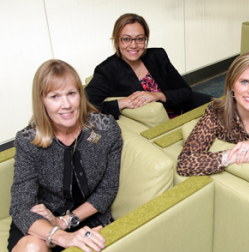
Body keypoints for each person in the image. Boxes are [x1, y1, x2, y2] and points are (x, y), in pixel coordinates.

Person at [8, 59, 123, 252]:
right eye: (55, 97)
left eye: (71, 93)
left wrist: (65, 221)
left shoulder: (105, 130)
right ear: (42, 101)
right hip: (42, 218)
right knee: (32, 247)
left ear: (80, 93)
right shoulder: (28, 140)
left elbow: (107, 189)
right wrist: (59, 234)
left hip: (86, 217)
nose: (67, 105)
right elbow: (21, 207)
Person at [177, 51, 249, 176]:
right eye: (244, 82)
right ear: (232, 84)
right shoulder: (217, 113)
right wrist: (234, 155)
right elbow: (184, 164)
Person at [85, 13, 212, 119]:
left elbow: (185, 91)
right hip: (161, 124)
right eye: (126, 39)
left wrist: (159, 95)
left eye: (139, 39)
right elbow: (83, 106)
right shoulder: (107, 70)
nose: (134, 45)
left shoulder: (158, 55)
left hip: (183, 111)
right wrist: (122, 102)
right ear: (117, 40)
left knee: (223, 109)